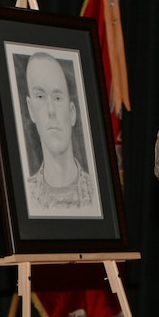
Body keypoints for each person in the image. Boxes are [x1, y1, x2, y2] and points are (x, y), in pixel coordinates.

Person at [23, 52, 96, 210]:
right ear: (31, 109)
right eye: (40, 96)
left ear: (72, 112)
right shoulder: (26, 197)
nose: (51, 110)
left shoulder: (96, 194)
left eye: (57, 97)